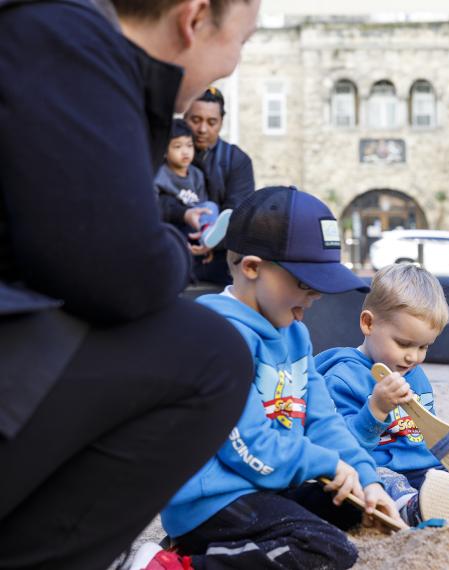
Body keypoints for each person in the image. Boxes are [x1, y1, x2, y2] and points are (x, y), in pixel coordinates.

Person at [0, 0, 260, 568]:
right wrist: (169, 245)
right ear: (193, 20)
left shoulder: (54, 39)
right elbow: (118, 274)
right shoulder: (69, 42)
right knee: (212, 356)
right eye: (242, 40)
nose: (236, 61)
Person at [132, 186, 403, 570]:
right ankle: (174, 566)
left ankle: (201, 554)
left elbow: (322, 420)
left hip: (270, 486)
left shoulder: (295, 335)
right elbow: (248, 446)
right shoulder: (219, 336)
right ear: (252, 268)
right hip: (216, 499)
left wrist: (364, 477)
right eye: (305, 283)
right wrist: (327, 464)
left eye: (320, 286)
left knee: (352, 510)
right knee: (327, 548)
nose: (315, 296)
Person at [315, 263, 449, 528]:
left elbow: (422, 435)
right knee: (389, 482)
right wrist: (376, 408)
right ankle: (412, 510)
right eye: (404, 344)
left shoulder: (414, 374)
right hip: (374, 465)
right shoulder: (343, 377)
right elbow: (341, 447)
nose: (413, 356)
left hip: (418, 465)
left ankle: (434, 501)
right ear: (368, 323)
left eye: (424, 347)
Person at [184, 87, 255, 284]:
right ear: (185, 117)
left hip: (222, 264)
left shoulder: (237, 161)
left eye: (211, 122)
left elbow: (238, 217)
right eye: (195, 120)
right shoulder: (164, 156)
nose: (202, 129)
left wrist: (212, 243)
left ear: (221, 122)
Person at [154, 118, 232, 249]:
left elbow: (202, 203)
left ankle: (207, 236)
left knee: (211, 206)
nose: (185, 151)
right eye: (177, 146)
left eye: (189, 145)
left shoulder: (197, 174)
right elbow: (153, 203)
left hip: (194, 223)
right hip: (173, 224)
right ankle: (205, 236)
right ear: (165, 151)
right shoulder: (161, 174)